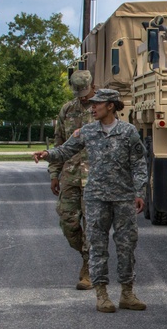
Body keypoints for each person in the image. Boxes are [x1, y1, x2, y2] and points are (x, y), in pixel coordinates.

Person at [34, 88, 148, 313]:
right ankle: (102, 294)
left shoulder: (128, 132)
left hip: (123, 198)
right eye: (92, 104)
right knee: (98, 246)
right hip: (96, 197)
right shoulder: (86, 132)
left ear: (111, 106)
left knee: (126, 246)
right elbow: (65, 151)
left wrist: (139, 192)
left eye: (98, 104)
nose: (92, 107)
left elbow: (139, 163)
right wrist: (47, 154)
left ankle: (127, 293)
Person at [50, 69, 95, 290]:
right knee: (68, 222)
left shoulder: (101, 109)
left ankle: (88, 268)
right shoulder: (67, 110)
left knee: (93, 225)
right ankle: (88, 256)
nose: (82, 95)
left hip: (95, 177)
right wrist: (53, 174)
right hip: (70, 175)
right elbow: (58, 144)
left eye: (84, 91)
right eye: (78, 91)